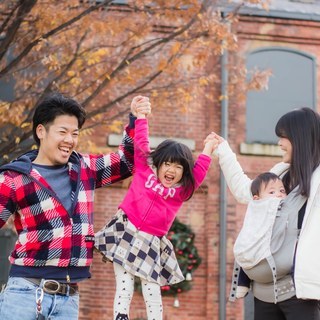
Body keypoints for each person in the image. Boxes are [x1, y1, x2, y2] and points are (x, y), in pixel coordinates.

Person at [0, 92, 151, 320]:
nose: (69, 140)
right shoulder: (14, 178)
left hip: (68, 299)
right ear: (41, 132)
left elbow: (127, 162)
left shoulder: (84, 168)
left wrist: (136, 119)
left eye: (74, 133)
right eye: (62, 132)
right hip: (25, 293)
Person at [95, 104, 217, 320]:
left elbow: (198, 174)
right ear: (158, 164)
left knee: (151, 287)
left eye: (178, 167)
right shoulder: (144, 170)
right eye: (168, 164)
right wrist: (141, 117)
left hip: (151, 240)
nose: (171, 170)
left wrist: (207, 149)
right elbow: (141, 144)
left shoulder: (182, 191)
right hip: (126, 229)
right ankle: (120, 316)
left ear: (183, 173)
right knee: (124, 283)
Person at [212, 107, 320, 319]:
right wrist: (224, 151)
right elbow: (246, 192)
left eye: (283, 137)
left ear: (300, 138)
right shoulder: (280, 173)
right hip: (264, 293)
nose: (279, 143)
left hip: (301, 292)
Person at [235, 172, 287, 299]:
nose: (279, 194)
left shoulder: (286, 207)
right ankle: (242, 282)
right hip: (255, 240)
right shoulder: (256, 209)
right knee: (246, 249)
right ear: (257, 199)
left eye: (282, 190)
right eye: (271, 192)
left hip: (276, 253)